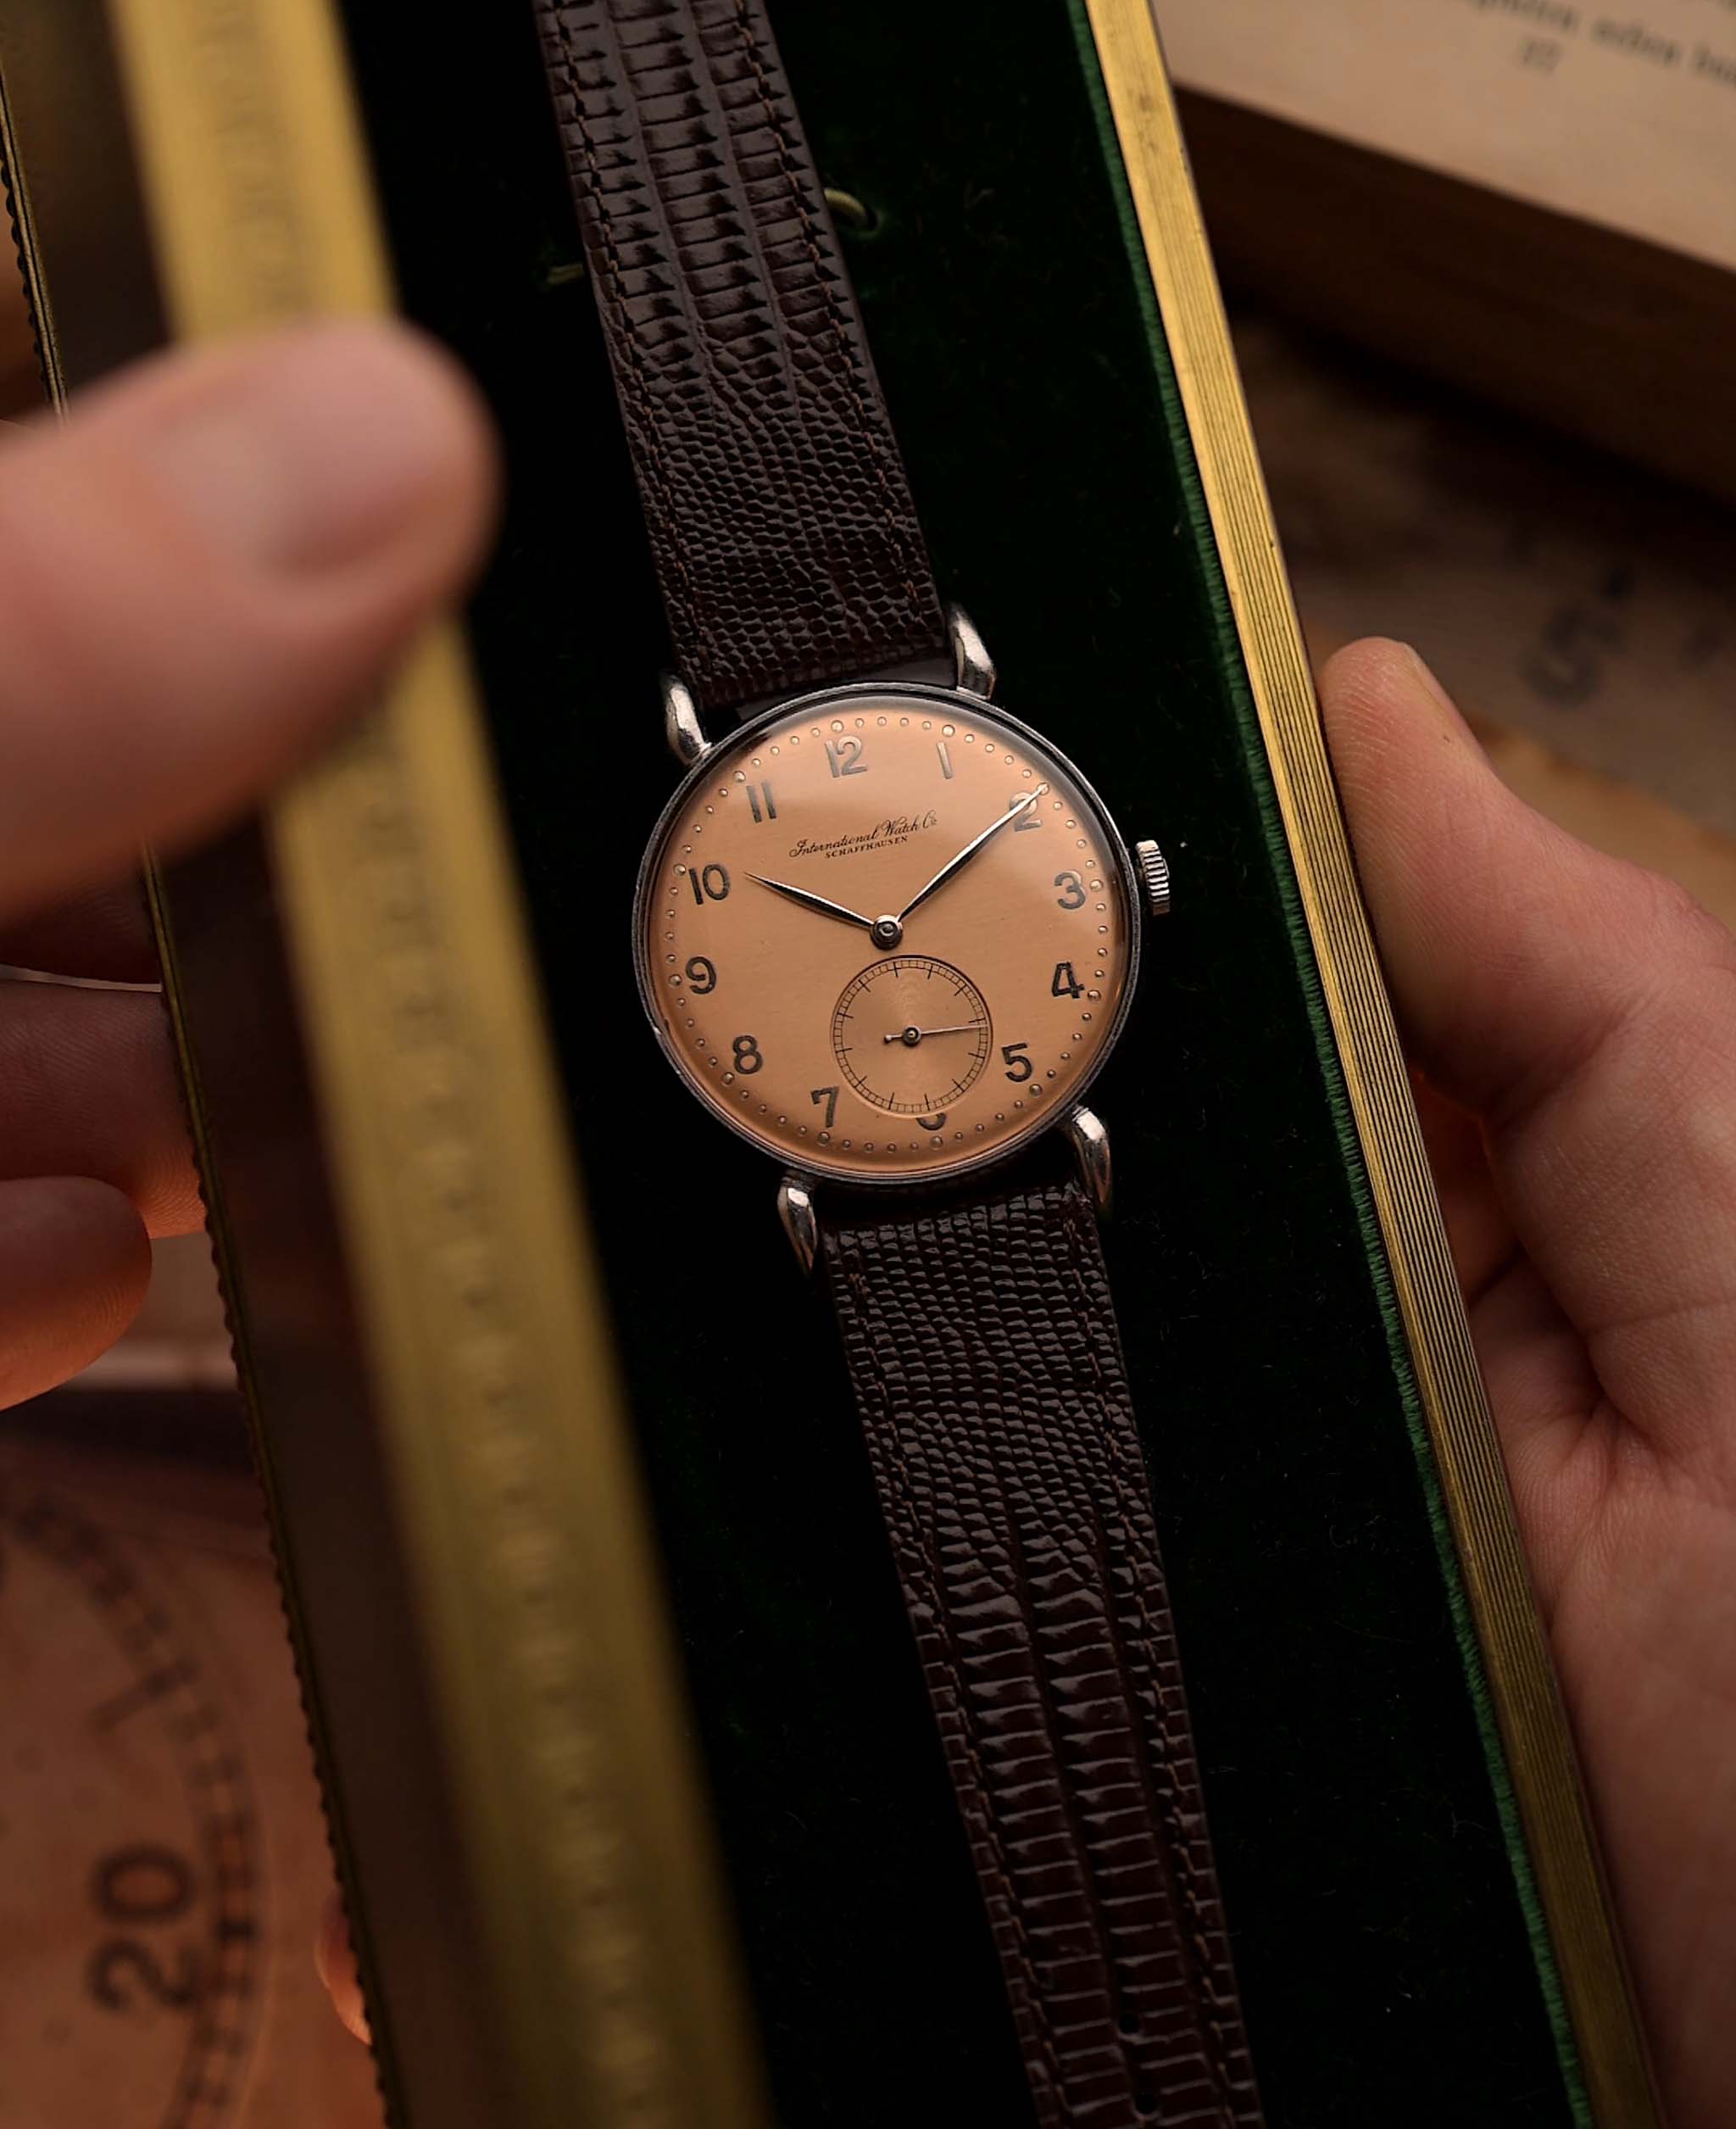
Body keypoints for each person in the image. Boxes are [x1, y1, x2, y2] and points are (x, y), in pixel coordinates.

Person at [3, 321, 1728, 2126]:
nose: (894, 937)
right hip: (896, 1176)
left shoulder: (872, 852)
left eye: (930, 901)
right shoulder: (855, 850)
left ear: (1127, 878)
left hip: (989, 1154)